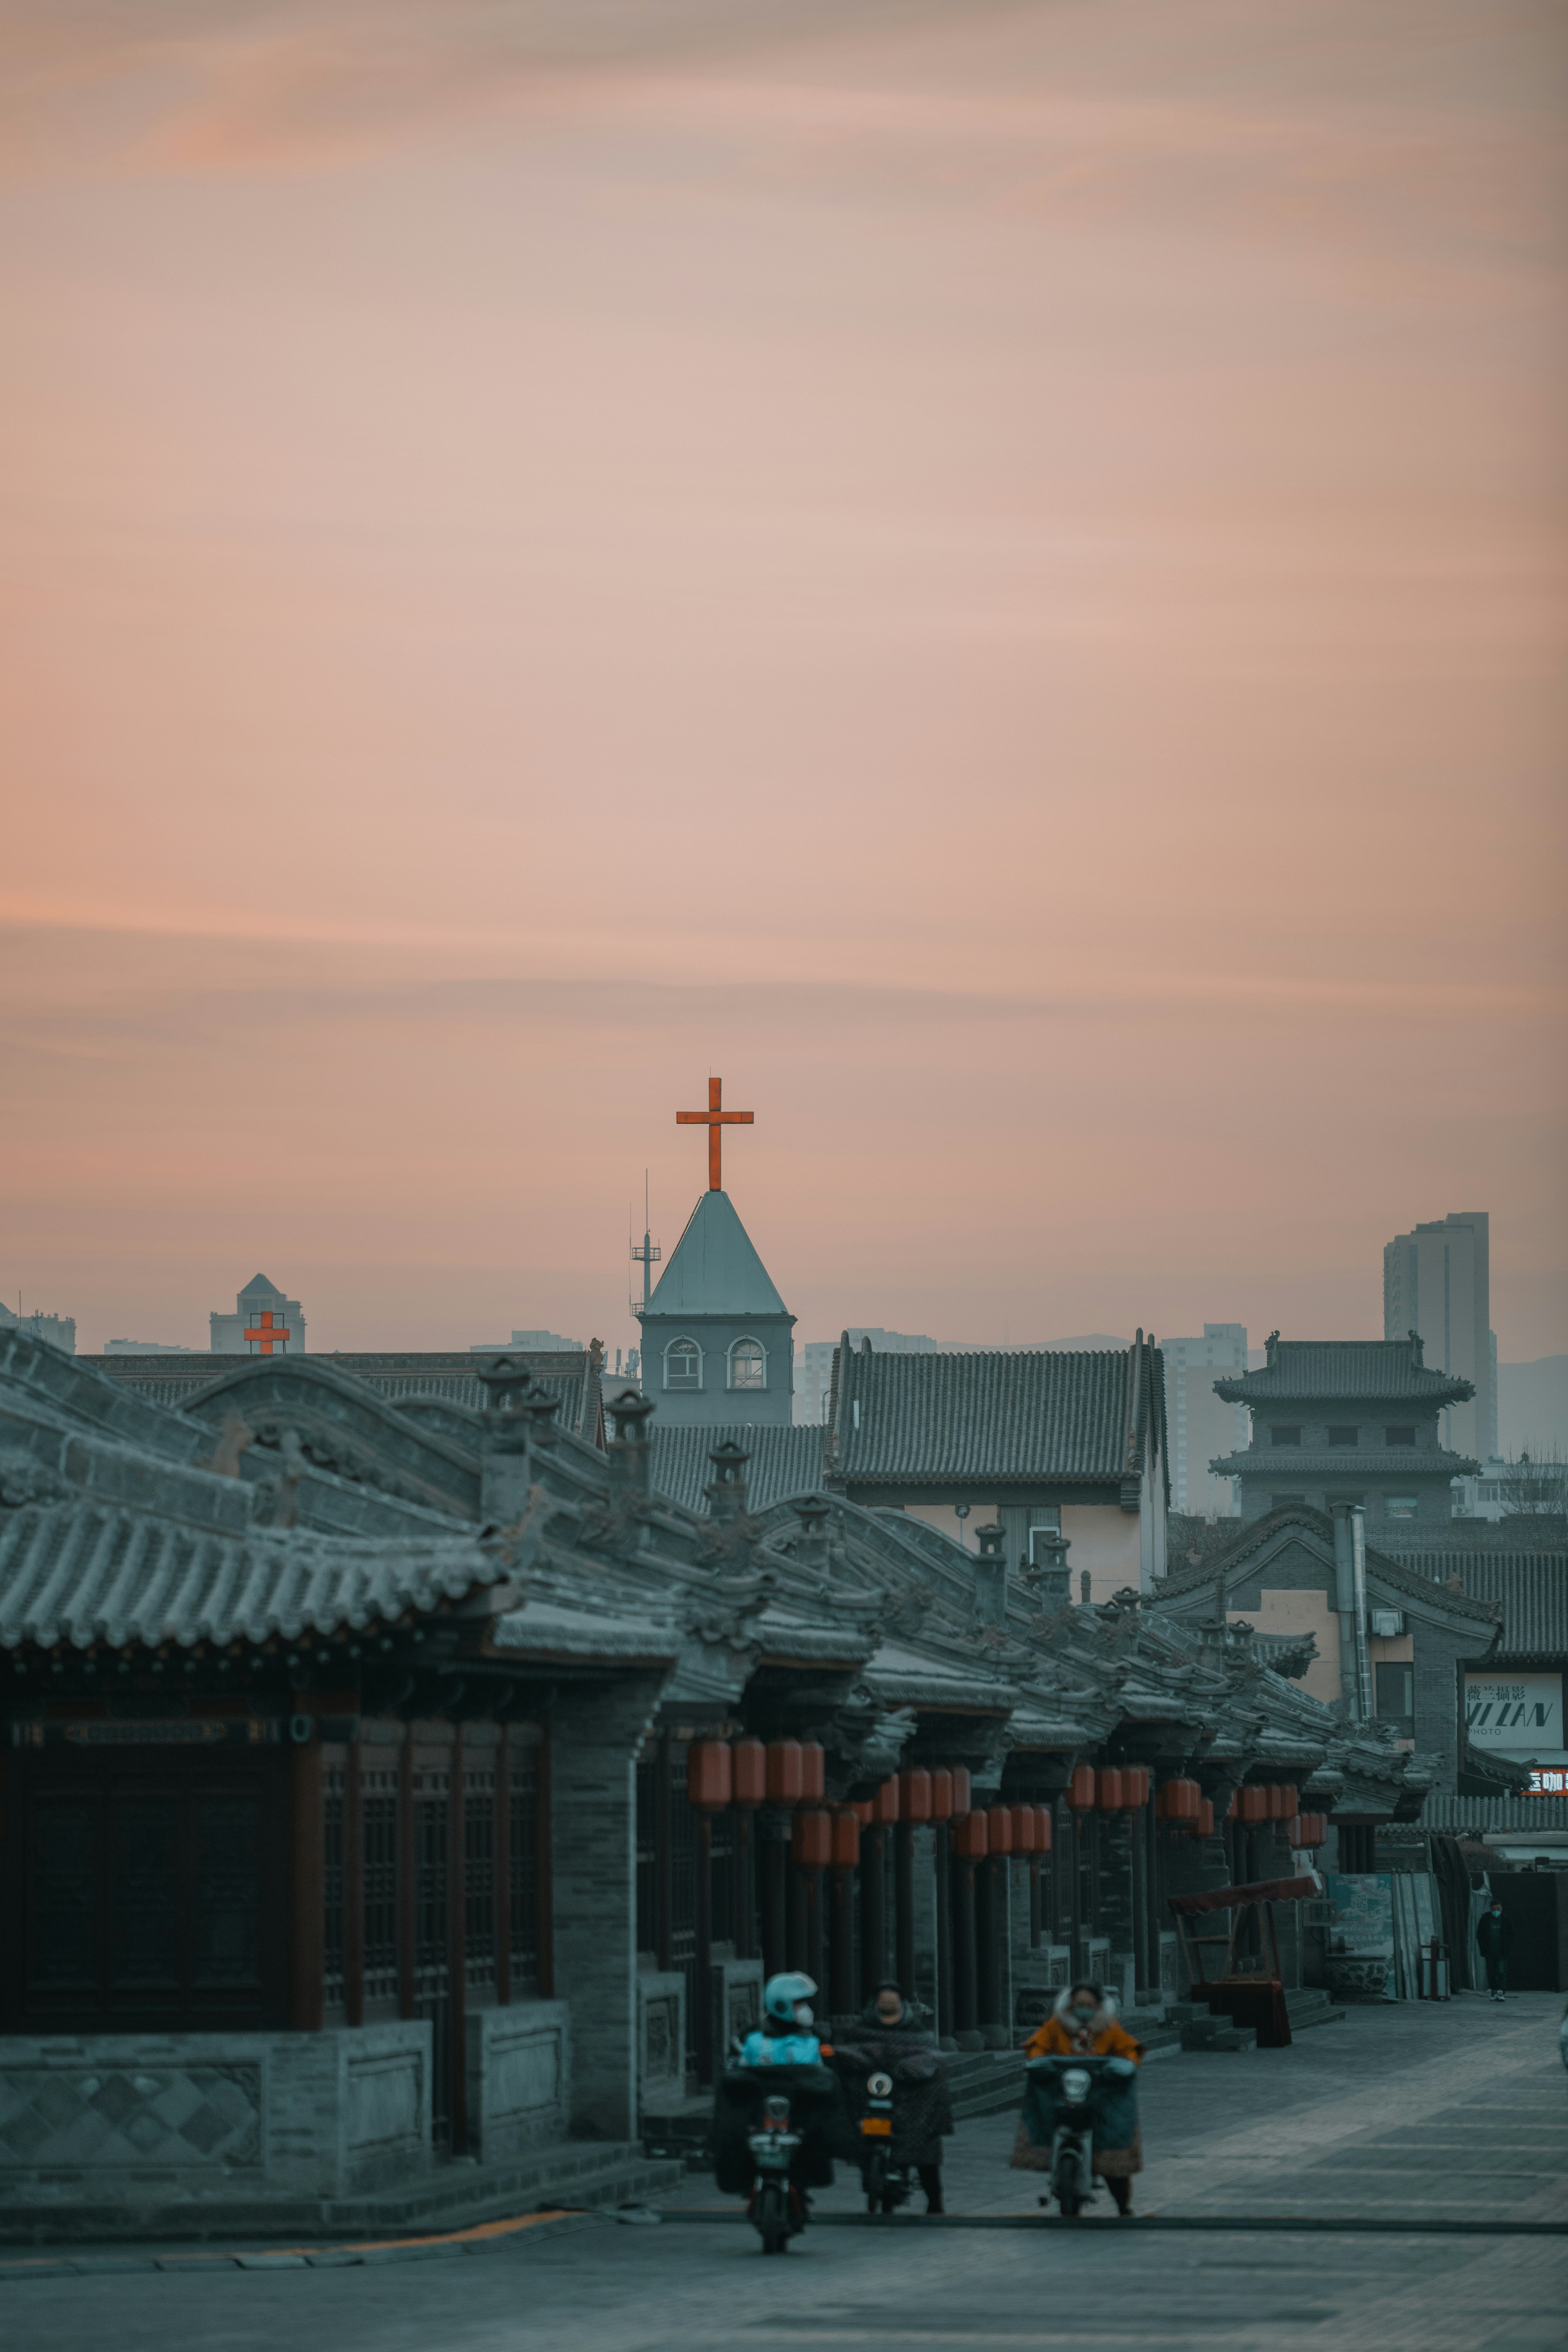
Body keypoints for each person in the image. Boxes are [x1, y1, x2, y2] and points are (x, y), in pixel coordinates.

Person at [1014, 1983, 1145, 2215]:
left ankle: (1123, 2205)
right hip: (1064, 2093)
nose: (1083, 2008)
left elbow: (1129, 2050)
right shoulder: (1056, 2026)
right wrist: (1039, 2063)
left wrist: (1127, 2065)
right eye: (1079, 2004)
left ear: (1098, 2006)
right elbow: (1038, 2046)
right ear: (1070, 2004)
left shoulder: (1109, 2028)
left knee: (1112, 2157)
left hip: (1100, 2096)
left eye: (1089, 2005)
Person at [836, 1978, 954, 2213]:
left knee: (924, 2148)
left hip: (910, 2099)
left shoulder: (914, 2031)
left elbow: (929, 2062)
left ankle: (935, 2202)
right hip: (874, 2096)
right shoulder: (862, 2028)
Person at [738, 1973, 826, 2066]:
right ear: (780, 2006)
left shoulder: (753, 2041)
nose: (805, 2009)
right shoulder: (811, 2045)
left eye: (805, 2004)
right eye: (798, 2004)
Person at [1475, 1896, 1513, 2001]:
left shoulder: (1506, 1919)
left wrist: (1508, 1947)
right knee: (1491, 1972)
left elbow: (1512, 1934)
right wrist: (1484, 1948)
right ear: (1490, 1909)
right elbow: (1480, 1934)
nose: (1496, 1911)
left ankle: (1501, 1991)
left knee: (1501, 1971)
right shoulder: (1485, 1919)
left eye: (1498, 1909)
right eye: (1494, 1909)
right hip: (1490, 1951)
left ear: (1502, 1909)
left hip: (1502, 1951)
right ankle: (1494, 1990)